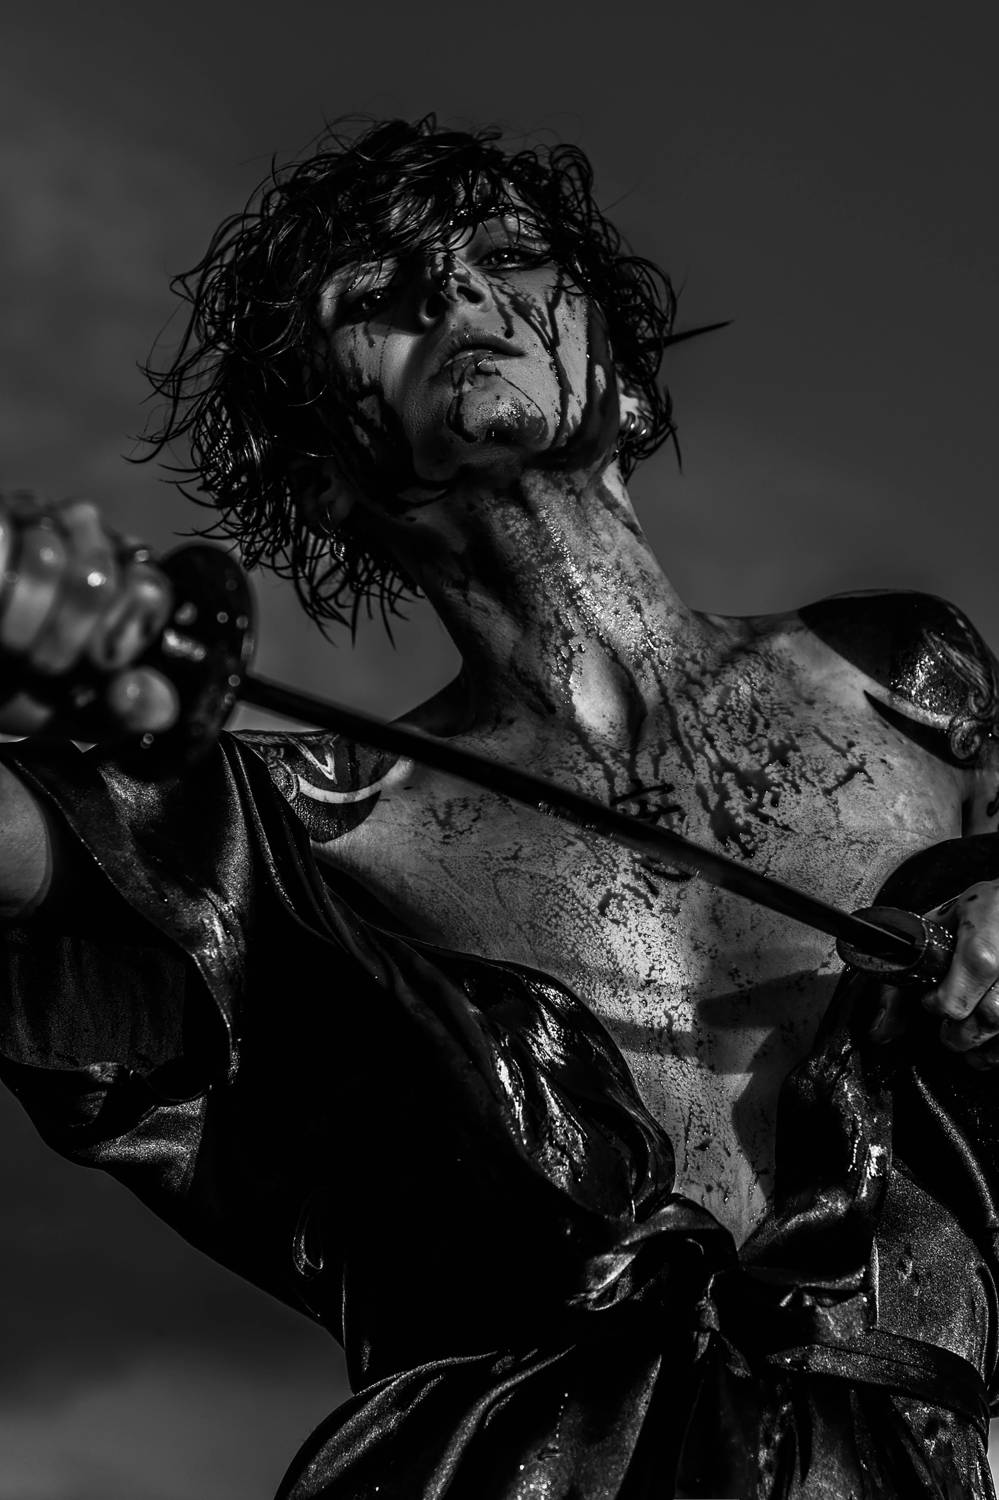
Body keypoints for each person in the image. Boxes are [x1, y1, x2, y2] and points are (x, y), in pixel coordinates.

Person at [1, 114, 998, 1498]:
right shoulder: (308, 828)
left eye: (512, 255)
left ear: (627, 386)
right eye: (377, 295)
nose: (456, 291)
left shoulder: (902, 678)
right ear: (319, 473)